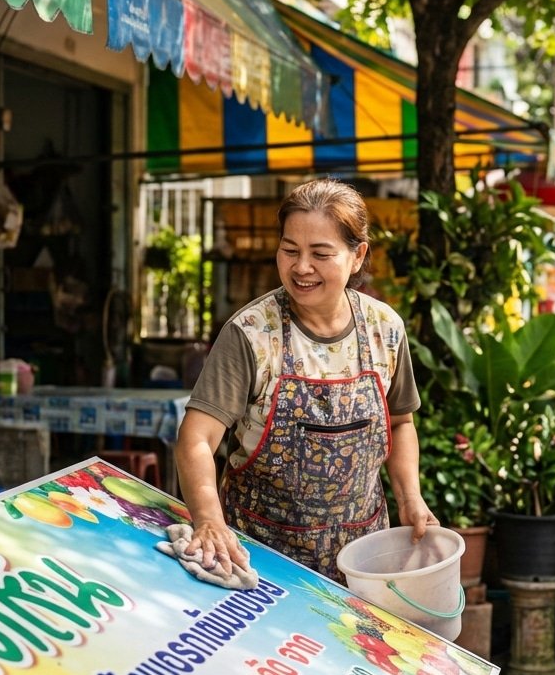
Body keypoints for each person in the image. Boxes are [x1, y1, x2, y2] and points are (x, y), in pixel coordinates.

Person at [174, 179, 434, 582]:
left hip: (362, 563)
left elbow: (400, 423)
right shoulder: (250, 333)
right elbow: (196, 439)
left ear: (357, 255)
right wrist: (209, 520)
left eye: (320, 253)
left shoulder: (386, 329)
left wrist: (410, 499)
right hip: (261, 561)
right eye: (289, 250)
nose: (301, 267)